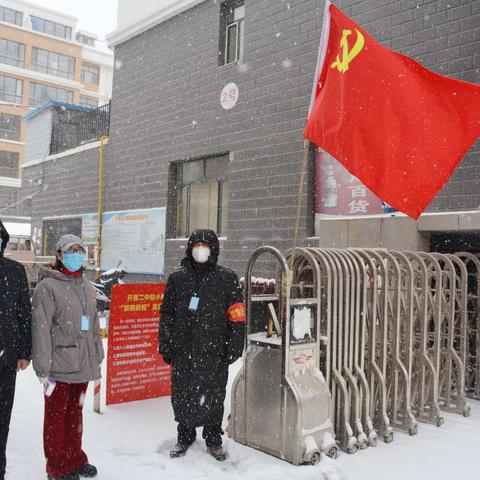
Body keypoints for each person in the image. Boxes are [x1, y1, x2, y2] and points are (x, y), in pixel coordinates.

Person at [159, 229, 245, 461]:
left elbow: (237, 315)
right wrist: (165, 343)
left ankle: (213, 437)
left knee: (214, 395)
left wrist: (236, 344)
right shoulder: (177, 279)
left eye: (205, 245)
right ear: (189, 248)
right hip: (183, 350)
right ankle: (185, 435)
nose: (200, 249)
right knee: (184, 393)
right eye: (196, 244)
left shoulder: (227, 278)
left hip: (215, 350)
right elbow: (166, 313)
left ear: (214, 249)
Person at [32, 234, 104, 480]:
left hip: (82, 365)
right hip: (58, 368)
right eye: (70, 250)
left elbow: (93, 324)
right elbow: (41, 330)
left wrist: (97, 353)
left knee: (75, 415)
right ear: (59, 255)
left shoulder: (86, 285)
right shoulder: (47, 287)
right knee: (55, 419)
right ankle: (57, 466)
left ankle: (74, 458)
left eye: (80, 250)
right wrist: (43, 368)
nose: (76, 255)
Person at [0, 220, 31, 480]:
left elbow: (24, 314)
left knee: (1, 422)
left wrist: (24, 351)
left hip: (5, 359)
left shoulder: (15, 271)